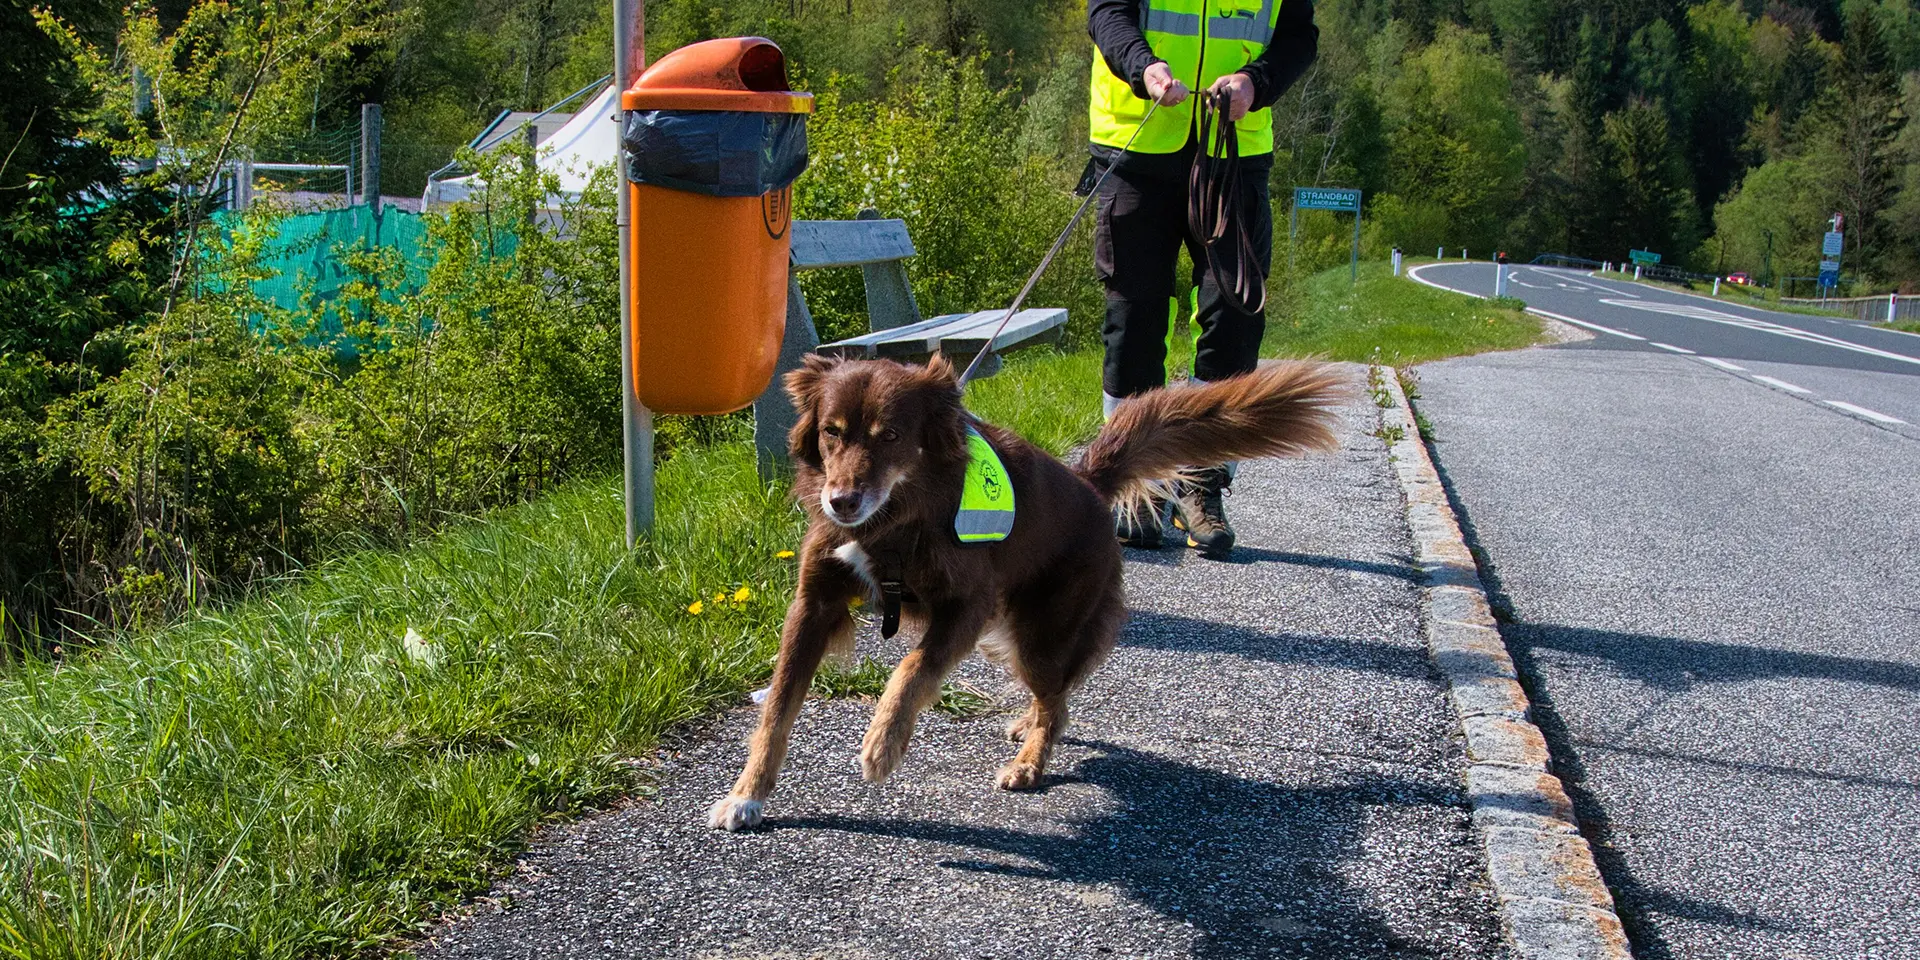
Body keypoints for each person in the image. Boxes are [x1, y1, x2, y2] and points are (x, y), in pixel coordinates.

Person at [1087, 0, 1318, 558]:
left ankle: (1202, 481)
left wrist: (1253, 84)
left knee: (1232, 316)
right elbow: (1106, 14)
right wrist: (1144, 68)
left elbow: (1297, 38)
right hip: (1137, 147)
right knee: (1136, 317)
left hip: (1232, 150)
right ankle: (1131, 482)